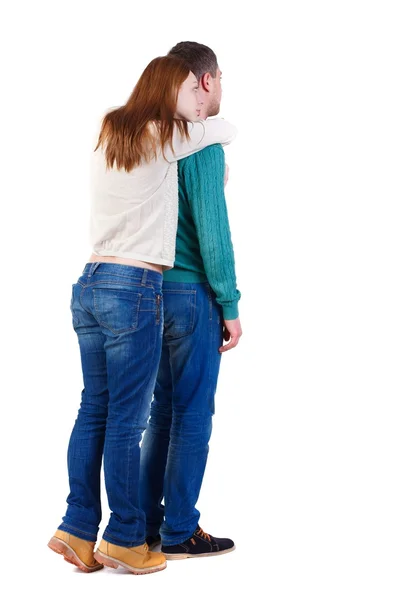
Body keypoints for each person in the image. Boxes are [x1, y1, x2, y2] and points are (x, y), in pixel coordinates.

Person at [47, 54, 237, 575]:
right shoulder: (168, 136)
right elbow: (220, 128)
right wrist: (231, 301)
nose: (197, 98)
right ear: (173, 89)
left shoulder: (113, 127)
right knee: (130, 421)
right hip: (135, 286)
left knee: (96, 410)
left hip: (89, 282)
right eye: (190, 89)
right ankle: (128, 536)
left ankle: (77, 527)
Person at [140, 42, 242, 560]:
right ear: (203, 81)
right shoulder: (202, 143)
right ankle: (181, 529)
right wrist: (230, 302)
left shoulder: (156, 140)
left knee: (162, 412)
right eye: (219, 76)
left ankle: (144, 525)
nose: (221, 85)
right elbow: (213, 232)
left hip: (151, 291)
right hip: (192, 295)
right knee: (193, 414)